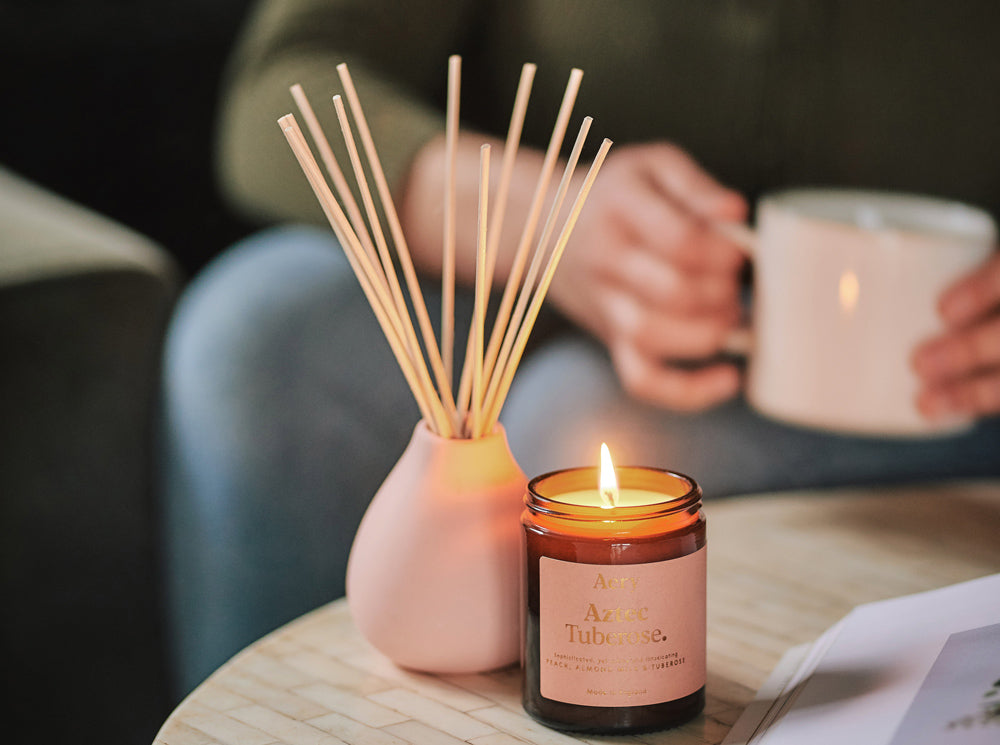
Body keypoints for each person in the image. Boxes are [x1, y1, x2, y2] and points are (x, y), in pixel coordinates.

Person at [161, 0, 1000, 695]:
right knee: (254, 340)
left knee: (586, 431)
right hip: (502, 256)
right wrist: (546, 219)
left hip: (938, 378)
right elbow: (284, 86)